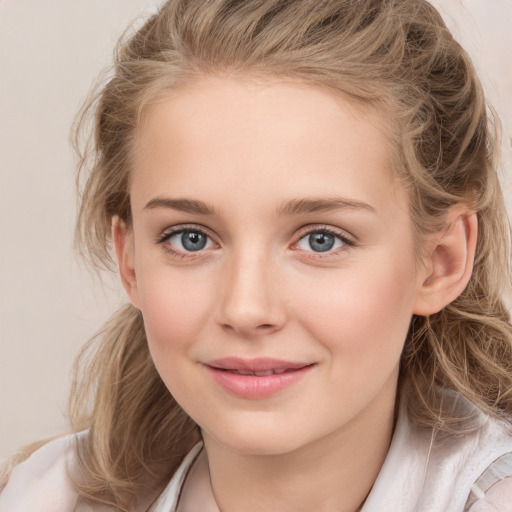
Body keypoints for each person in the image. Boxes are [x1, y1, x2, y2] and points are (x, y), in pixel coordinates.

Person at [1, 0, 511, 510]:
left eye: (321, 239)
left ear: (440, 261)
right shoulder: (45, 497)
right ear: (130, 260)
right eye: (190, 238)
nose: (245, 309)